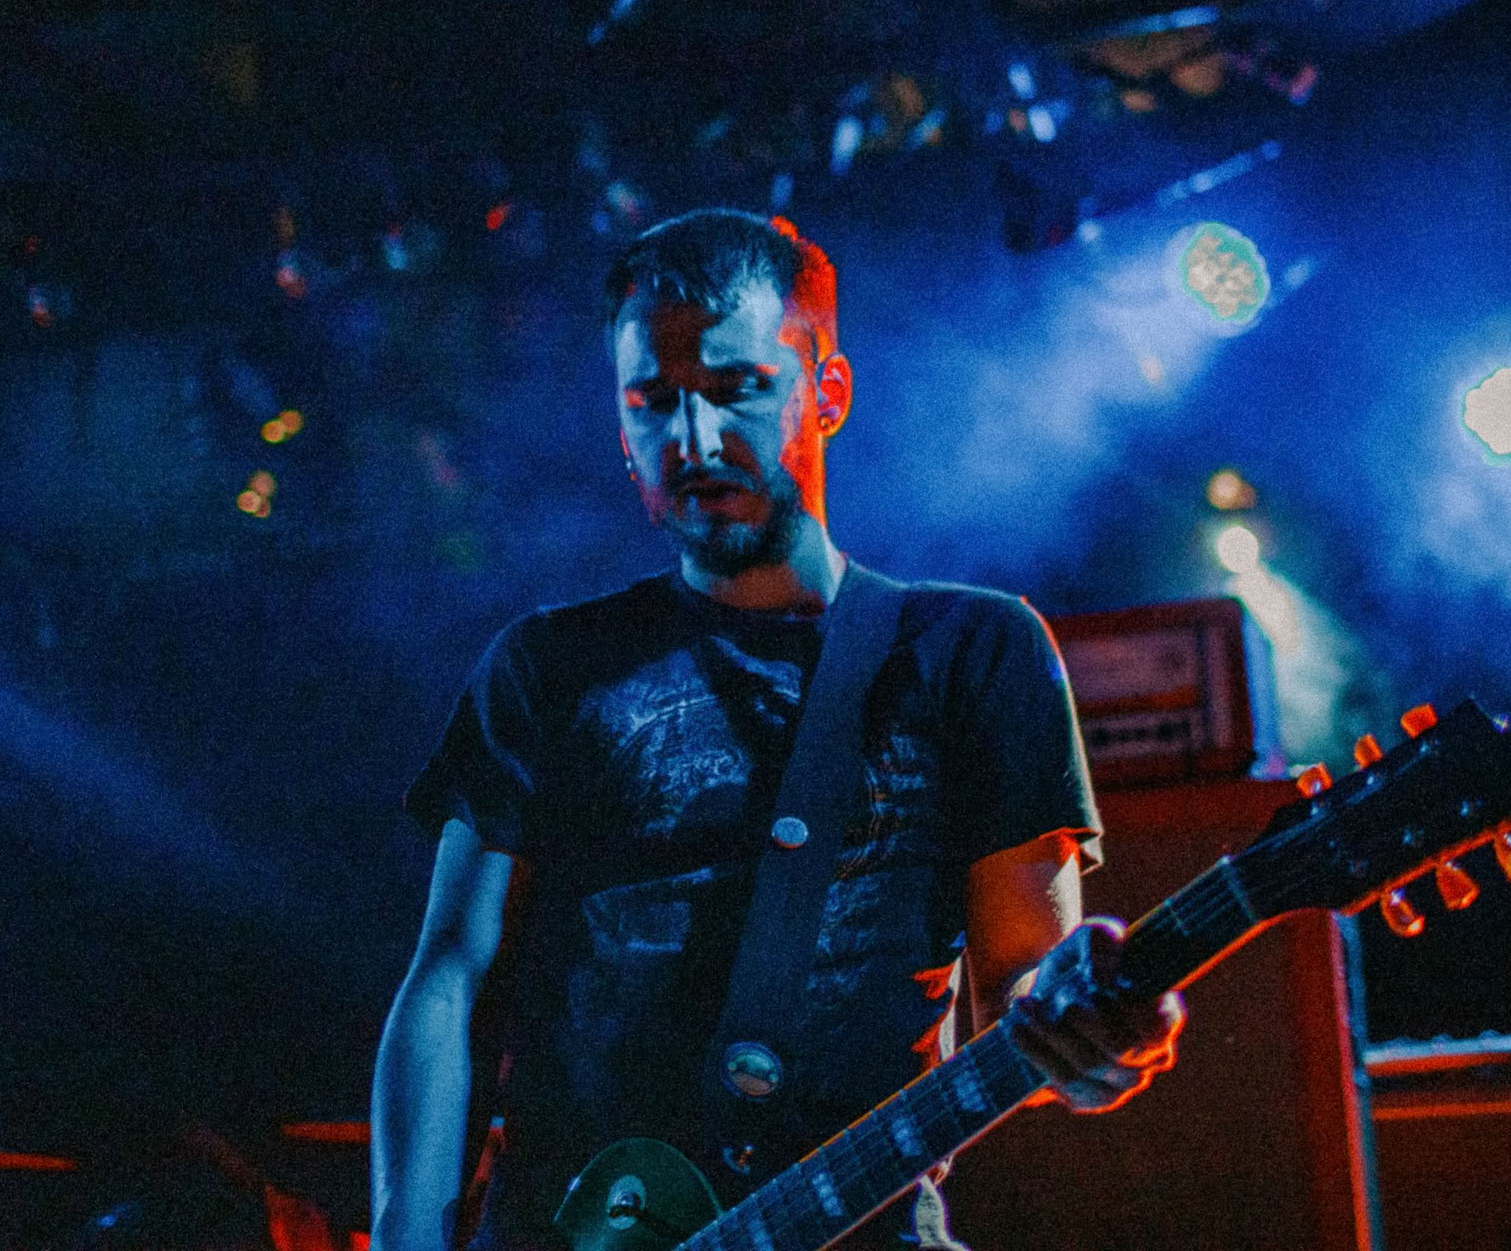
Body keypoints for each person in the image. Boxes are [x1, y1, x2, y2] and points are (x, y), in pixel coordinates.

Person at [372, 210, 1183, 1251]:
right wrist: (407, 1235)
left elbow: (1031, 971)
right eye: (654, 403)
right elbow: (452, 974)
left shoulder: (972, 652)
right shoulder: (546, 667)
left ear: (826, 393)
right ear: (622, 431)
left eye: (737, 388)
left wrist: (1093, 1023)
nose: (695, 441)